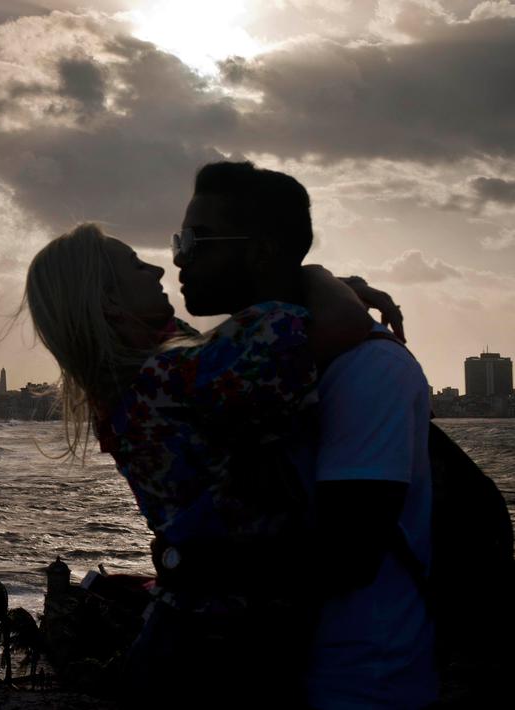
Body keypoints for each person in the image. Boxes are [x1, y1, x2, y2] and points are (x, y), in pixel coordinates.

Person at [24, 222, 375, 707]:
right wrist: (311, 273)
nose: (155, 266)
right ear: (108, 300)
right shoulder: (172, 377)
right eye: (132, 264)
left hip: (193, 635)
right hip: (222, 654)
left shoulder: (141, 378)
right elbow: (342, 325)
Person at [176, 161, 436, 709]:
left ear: (262, 250)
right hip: (283, 671)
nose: (178, 258)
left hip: (360, 680)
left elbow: (349, 553)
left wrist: (190, 563)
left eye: (195, 240)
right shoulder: (252, 364)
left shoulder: (366, 368)